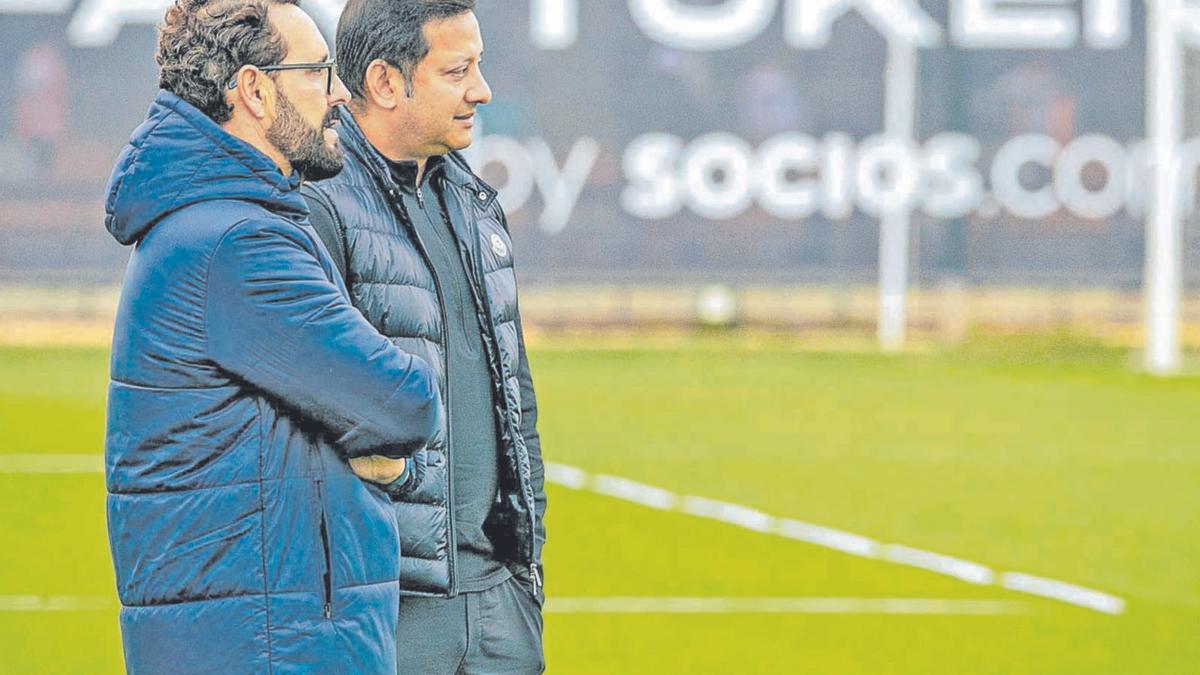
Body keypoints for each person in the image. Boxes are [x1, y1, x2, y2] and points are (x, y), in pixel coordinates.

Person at [103, 1, 442, 672]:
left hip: (258, 635)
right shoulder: (239, 242)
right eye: (319, 71)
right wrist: (393, 456)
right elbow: (404, 400)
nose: (340, 94)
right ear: (254, 91)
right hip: (267, 644)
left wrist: (389, 455)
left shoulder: (224, 223)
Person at [301, 1, 547, 671]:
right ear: (385, 83)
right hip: (388, 607)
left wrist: (524, 570)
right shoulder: (313, 208)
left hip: (498, 600)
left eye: (480, 65)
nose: (481, 89)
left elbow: (515, 400)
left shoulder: (473, 204)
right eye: (457, 69)